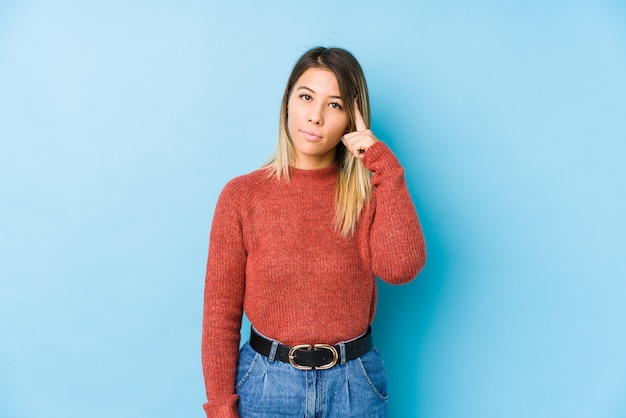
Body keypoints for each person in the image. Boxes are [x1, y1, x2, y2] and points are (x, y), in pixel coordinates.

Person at [201, 46, 426, 418]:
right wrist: (221, 408)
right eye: (306, 97)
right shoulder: (241, 196)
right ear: (288, 101)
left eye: (334, 105)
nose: (316, 116)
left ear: (353, 118)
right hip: (265, 386)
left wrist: (386, 169)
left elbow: (400, 269)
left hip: (354, 386)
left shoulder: (369, 194)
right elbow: (219, 315)